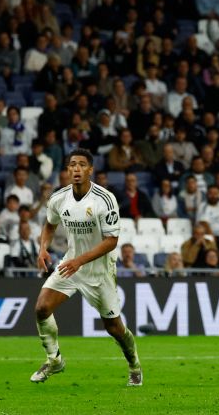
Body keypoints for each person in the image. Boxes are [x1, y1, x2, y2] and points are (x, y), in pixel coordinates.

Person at [32, 148, 142, 386]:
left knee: (114, 328)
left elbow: (111, 241)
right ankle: (54, 360)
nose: (76, 169)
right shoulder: (59, 198)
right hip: (70, 265)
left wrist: (79, 261)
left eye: (82, 165)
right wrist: (43, 248)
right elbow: (50, 225)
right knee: (42, 308)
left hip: (99, 271)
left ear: (90, 170)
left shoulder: (105, 199)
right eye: (72, 165)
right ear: (68, 170)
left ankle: (133, 363)